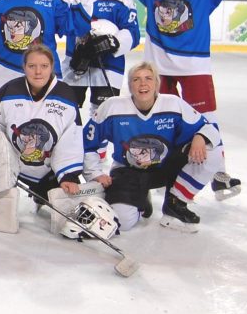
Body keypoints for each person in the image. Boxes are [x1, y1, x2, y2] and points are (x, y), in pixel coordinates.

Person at [114, 0, 247, 198]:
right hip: (158, 67)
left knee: (208, 120)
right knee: (160, 118)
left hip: (195, 67)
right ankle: (158, 165)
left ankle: (217, 172)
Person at [83, 61, 225, 232]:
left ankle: (176, 203)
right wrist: (95, 173)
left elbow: (211, 129)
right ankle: (140, 201)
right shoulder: (112, 107)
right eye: (136, 79)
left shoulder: (173, 104)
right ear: (129, 86)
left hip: (166, 168)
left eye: (148, 78)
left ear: (157, 84)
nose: (143, 83)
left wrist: (201, 137)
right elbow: (86, 145)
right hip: (128, 171)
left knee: (213, 151)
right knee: (123, 221)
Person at [0, 43, 84, 204]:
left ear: (52, 67)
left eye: (44, 66)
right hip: (10, 164)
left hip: (48, 170)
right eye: (32, 66)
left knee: (67, 202)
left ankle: (39, 191)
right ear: (24, 67)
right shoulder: (9, 89)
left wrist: (68, 175)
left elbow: (71, 139)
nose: (38, 72)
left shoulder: (65, 94)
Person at [62, 0, 140, 116]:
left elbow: (133, 33)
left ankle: (100, 143)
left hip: (109, 65)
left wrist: (112, 42)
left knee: (102, 115)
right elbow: (69, 25)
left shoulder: (122, 0)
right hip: (75, 63)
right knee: (67, 113)